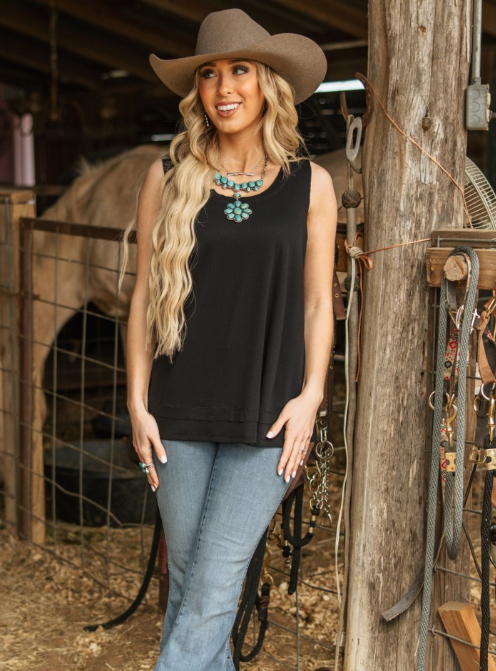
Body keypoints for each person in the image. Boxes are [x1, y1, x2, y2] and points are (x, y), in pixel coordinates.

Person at [119, 8, 337, 670]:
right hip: (176, 414)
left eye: (240, 69)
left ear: (267, 82)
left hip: (270, 413)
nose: (224, 87)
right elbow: (141, 299)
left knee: (212, 588)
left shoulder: (311, 185)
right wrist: (136, 403)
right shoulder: (166, 176)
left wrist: (311, 395)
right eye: (209, 74)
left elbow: (319, 302)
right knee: (194, 587)